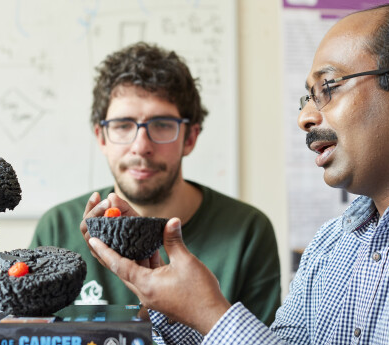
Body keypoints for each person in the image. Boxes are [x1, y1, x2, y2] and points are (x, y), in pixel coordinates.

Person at [81, 3, 389, 344]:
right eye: (308, 98)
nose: (305, 118)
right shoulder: (331, 244)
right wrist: (180, 308)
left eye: (328, 89)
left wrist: (209, 313)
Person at [30, 42, 281, 324]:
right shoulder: (56, 228)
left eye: (161, 125)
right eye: (123, 126)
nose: (141, 146)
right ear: (101, 138)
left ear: (190, 138)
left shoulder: (248, 231)